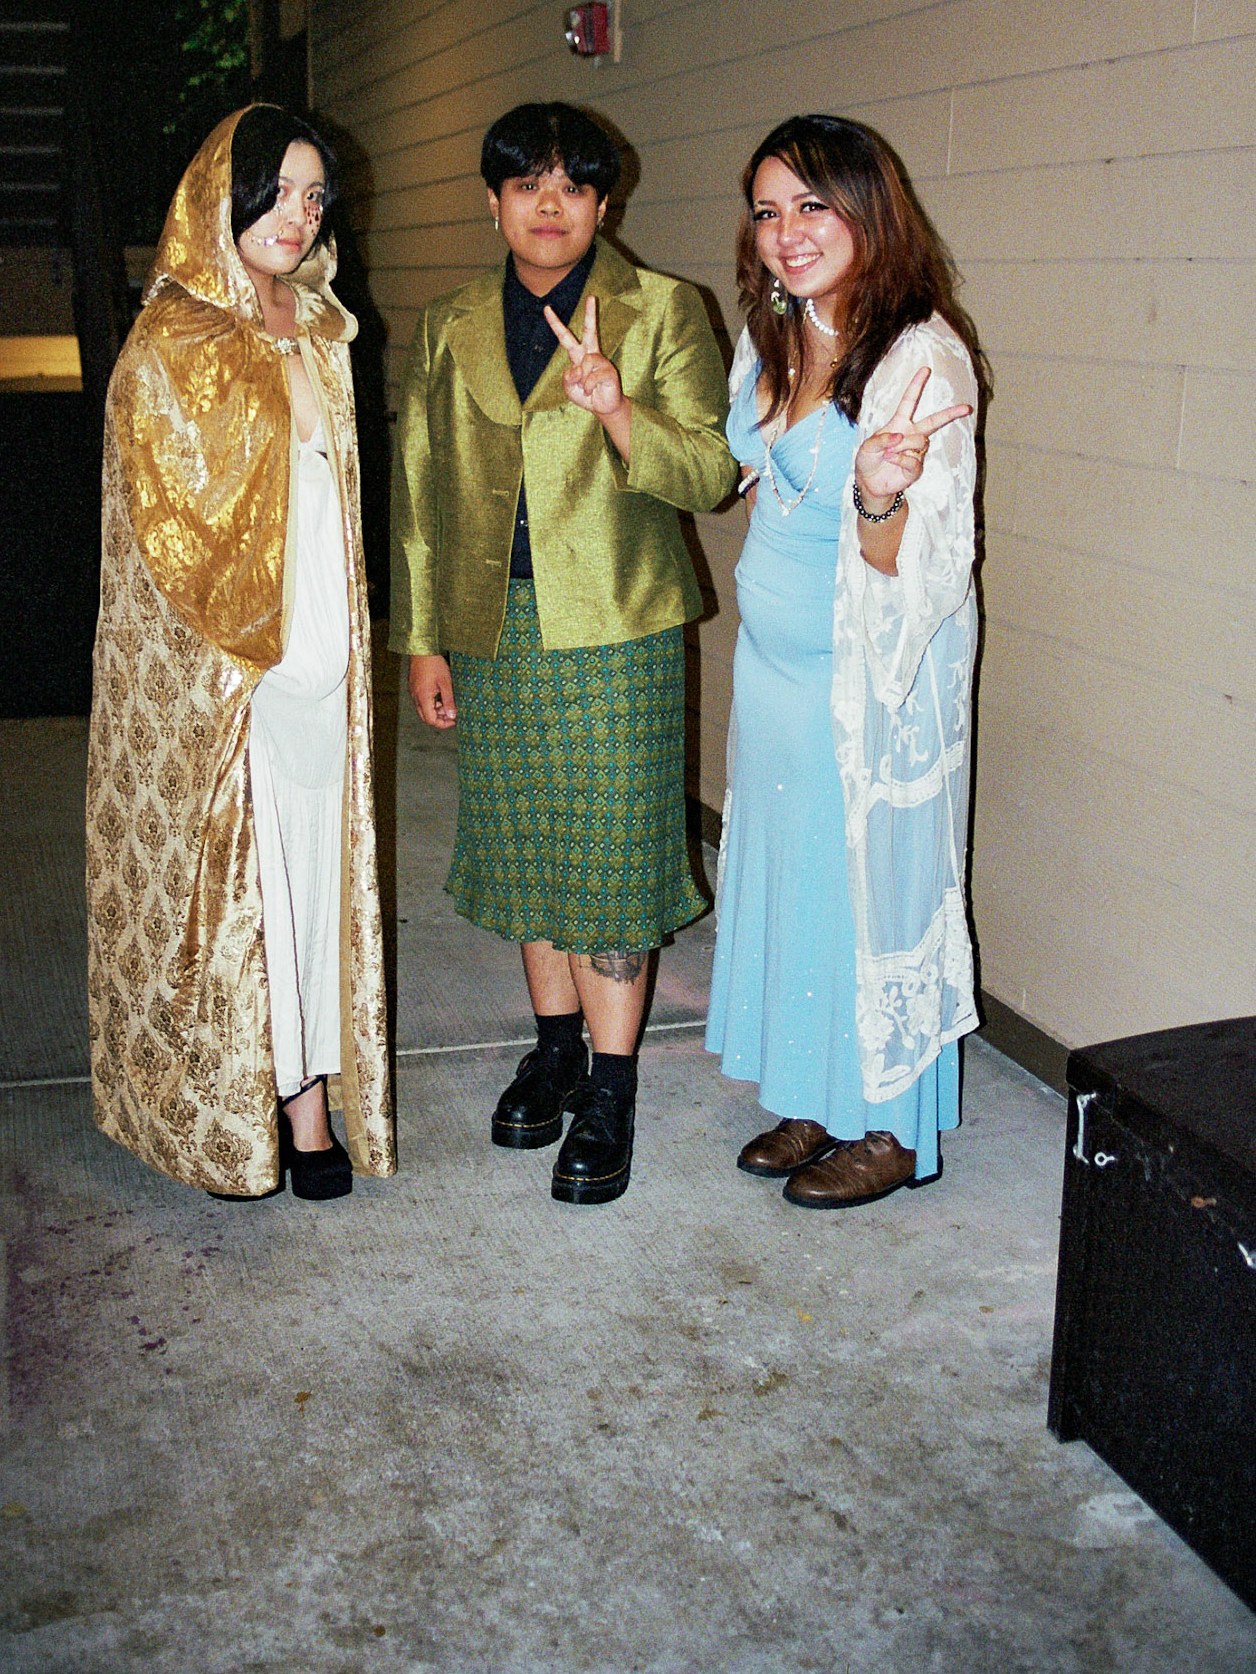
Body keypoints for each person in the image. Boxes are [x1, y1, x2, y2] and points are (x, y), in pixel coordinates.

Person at [391, 101, 734, 1204]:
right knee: (527, 845)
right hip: (493, 628)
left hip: (618, 629)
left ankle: (613, 1085)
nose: (550, 205)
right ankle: (555, 1049)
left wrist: (620, 409)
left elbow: (710, 474)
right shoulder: (449, 321)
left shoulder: (661, 310)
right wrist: (424, 638)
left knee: (614, 855)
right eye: (526, 184)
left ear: (603, 202)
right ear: (492, 201)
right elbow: (419, 486)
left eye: (573, 186)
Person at [87, 105, 395, 1201]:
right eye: (276, 192)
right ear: (222, 197)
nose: (296, 216)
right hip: (237, 670)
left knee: (313, 873)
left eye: (314, 197)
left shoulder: (321, 320)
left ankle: (308, 1092)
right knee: (251, 889)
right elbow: (161, 542)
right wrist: (238, 661)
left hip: (325, 652)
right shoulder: (173, 341)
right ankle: (265, 1104)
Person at [705, 113, 987, 1208]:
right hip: (772, 669)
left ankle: (896, 1128)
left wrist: (876, 493)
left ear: (869, 210)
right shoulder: (774, 331)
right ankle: (817, 1090)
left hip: (865, 682)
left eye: (812, 205)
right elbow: (755, 478)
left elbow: (919, 569)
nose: (787, 232)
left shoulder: (920, 355)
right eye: (768, 211)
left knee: (873, 890)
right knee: (800, 880)